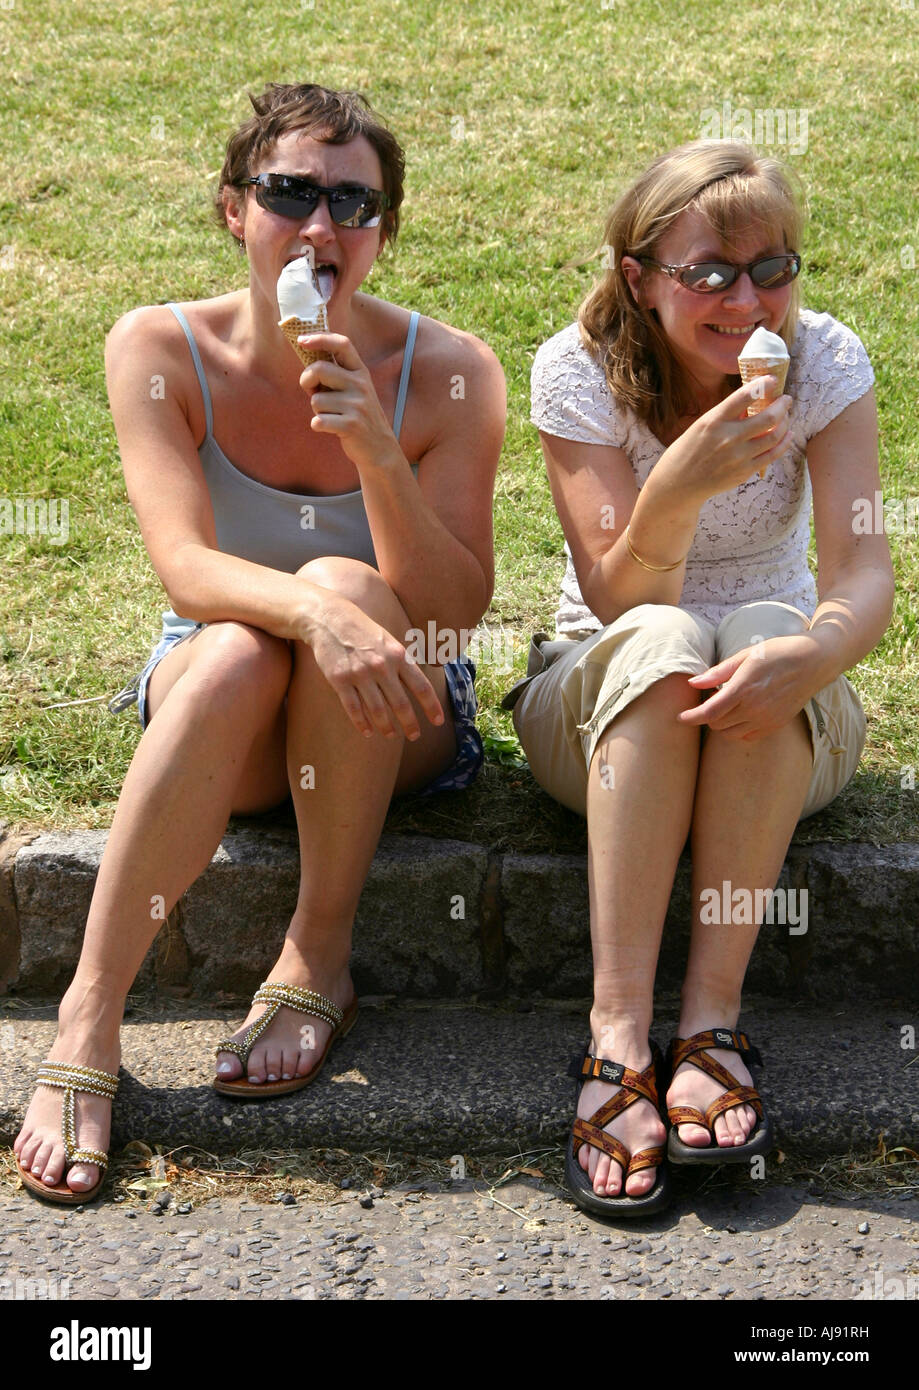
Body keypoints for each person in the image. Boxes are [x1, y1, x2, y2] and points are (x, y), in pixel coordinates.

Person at [14, 82, 505, 1203]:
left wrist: (379, 454)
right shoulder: (158, 345)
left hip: (398, 704)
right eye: (290, 193)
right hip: (223, 691)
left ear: (383, 231)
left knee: (343, 576)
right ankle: (90, 1013)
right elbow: (184, 568)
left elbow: (453, 610)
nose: (322, 227)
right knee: (245, 641)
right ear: (233, 208)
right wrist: (313, 615)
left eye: (354, 203)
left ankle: (316, 949)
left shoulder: (452, 370)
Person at [504, 140, 893, 1218]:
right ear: (637, 276)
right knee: (669, 634)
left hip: (777, 716)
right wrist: (673, 489)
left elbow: (863, 577)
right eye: (708, 272)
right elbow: (620, 599)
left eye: (774, 267)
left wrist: (811, 653)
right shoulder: (576, 368)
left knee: (766, 623)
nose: (747, 299)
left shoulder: (822, 361)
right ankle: (617, 1032)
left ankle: (711, 1019)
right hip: (600, 710)